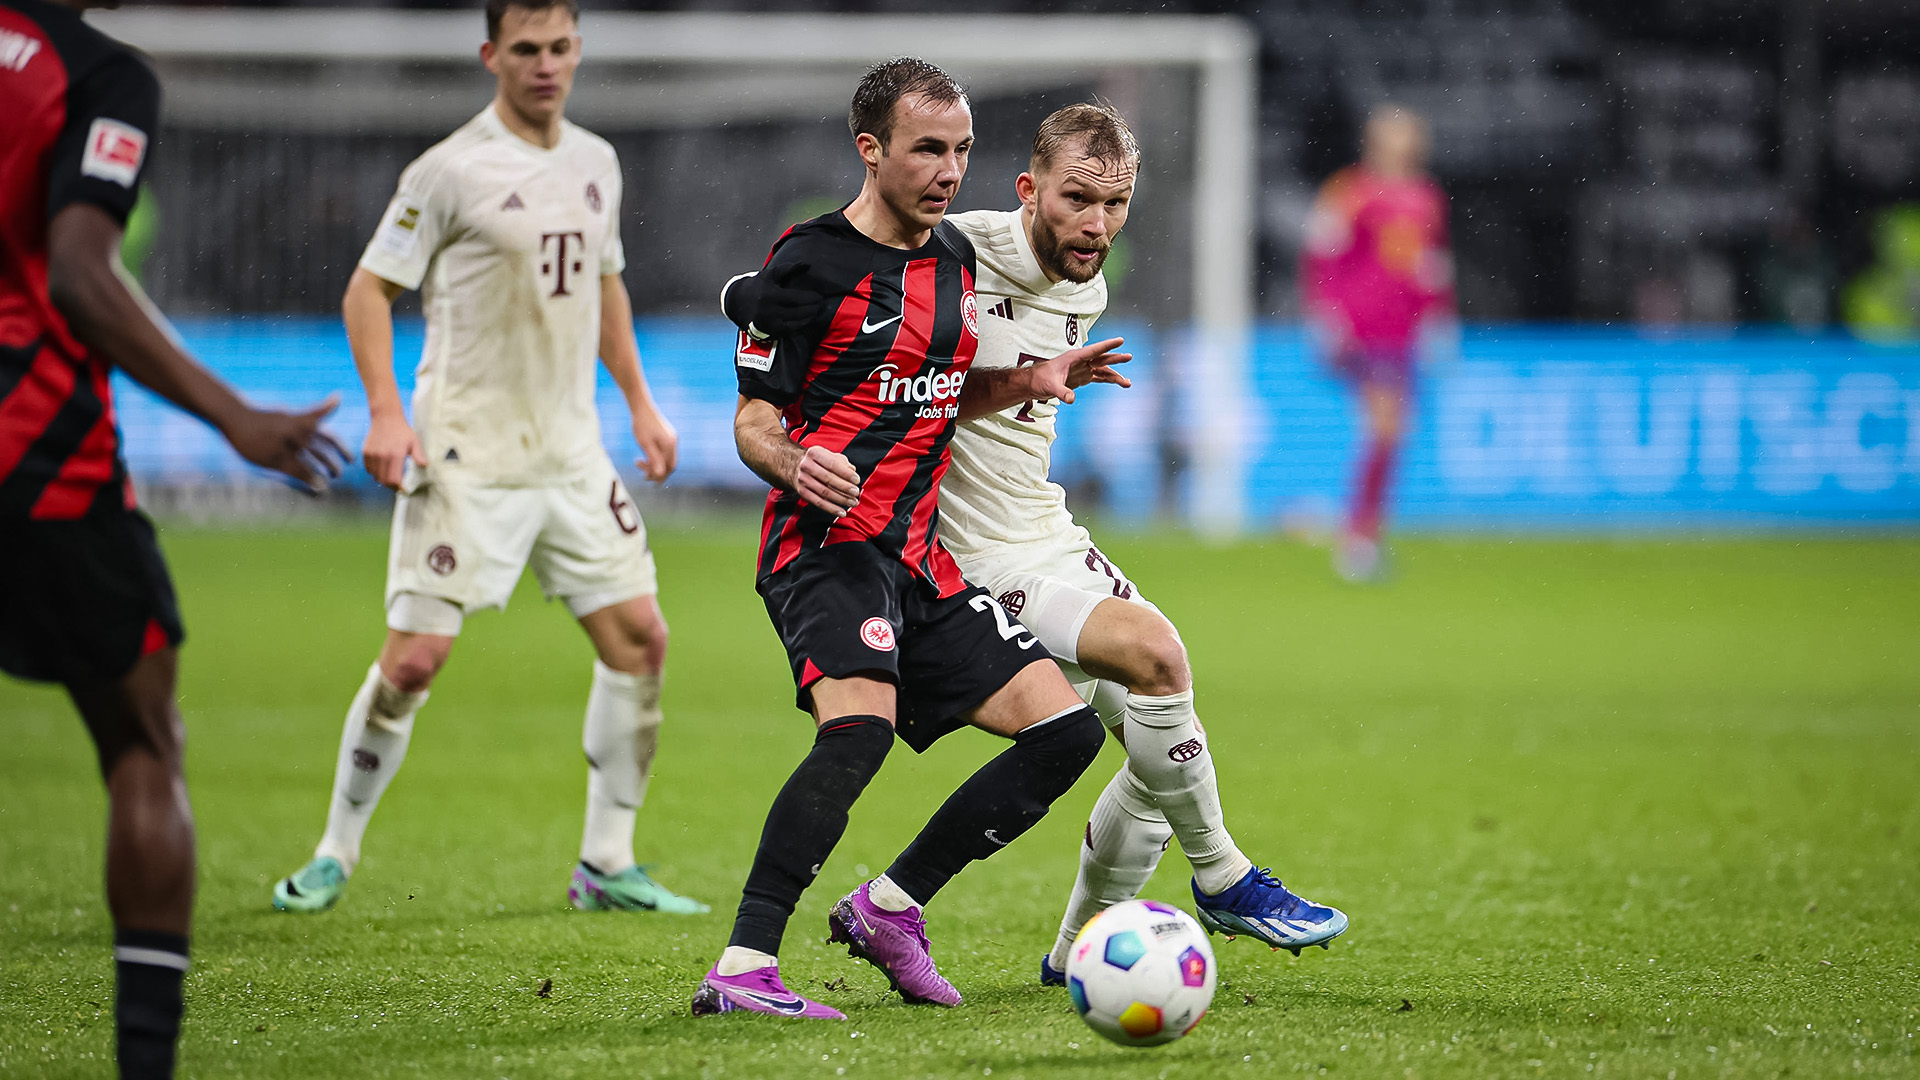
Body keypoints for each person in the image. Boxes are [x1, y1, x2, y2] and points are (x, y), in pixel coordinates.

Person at [725, 104, 1349, 988]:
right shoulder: (957, 251)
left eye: (1117, 203)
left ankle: (1070, 957)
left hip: (1045, 531)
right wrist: (754, 310)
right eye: (1076, 199)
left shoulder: (1083, 281)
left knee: (1161, 747)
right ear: (1029, 189)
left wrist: (1030, 377)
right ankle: (1225, 879)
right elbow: (814, 291)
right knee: (1156, 656)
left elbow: (957, 386)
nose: (1096, 224)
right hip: (968, 556)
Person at [691, 58, 1126, 1021]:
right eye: (929, 147)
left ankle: (891, 909)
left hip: (917, 559)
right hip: (826, 549)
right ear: (871, 149)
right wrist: (796, 460)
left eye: (962, 149)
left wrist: (1031, 378)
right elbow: (753, 419)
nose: (947, 168)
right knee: (859, 731)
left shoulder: (954, 266)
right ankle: (743, 964)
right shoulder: (808, 262)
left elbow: (940, 395)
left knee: (1064, 733)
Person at [270, 0, 702, 917]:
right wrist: (387, 414)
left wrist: (639, 404)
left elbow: (606, 283)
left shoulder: (597, 162)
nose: (545, 65)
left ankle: (606, 862)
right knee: (415, 660)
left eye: (559, 48)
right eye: (526, 50)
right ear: (490, 56)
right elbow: (366, 290)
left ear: (577, 51)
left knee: (641, 641)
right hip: (466, 453)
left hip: (572, 452)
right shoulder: (449, 170)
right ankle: (334, 852)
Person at [0, 1, 347, 1075]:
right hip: (33, 456)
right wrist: (233, 413)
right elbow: (80, 273)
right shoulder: (97, 73)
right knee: (143, 744)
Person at [1301, 105, 1456, 581]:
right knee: (1385, 427)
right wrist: (1325, 312)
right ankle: (1358, 539)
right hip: (1362, 329)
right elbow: (1321, 254)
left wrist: (1440, 315)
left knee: (1392, 433)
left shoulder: (1427, 197)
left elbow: (1430, 264)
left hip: (1403, 332)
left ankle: (1363, 533)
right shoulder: (1350, 191)